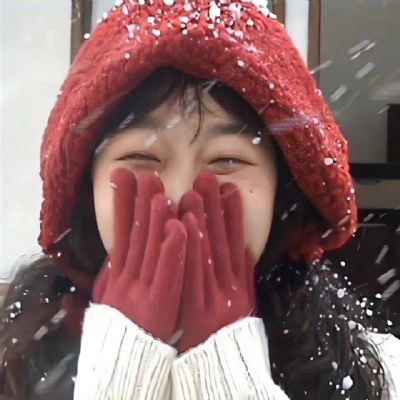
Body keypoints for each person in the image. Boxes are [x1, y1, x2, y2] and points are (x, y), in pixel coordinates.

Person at [0, 1, 399, 399]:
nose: (180, 196)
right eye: (142, 157)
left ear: (281, 193)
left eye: (227, 160)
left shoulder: (377, 372)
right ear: (88, 190)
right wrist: (125, 360)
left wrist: (225, 364)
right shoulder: (14, 361)